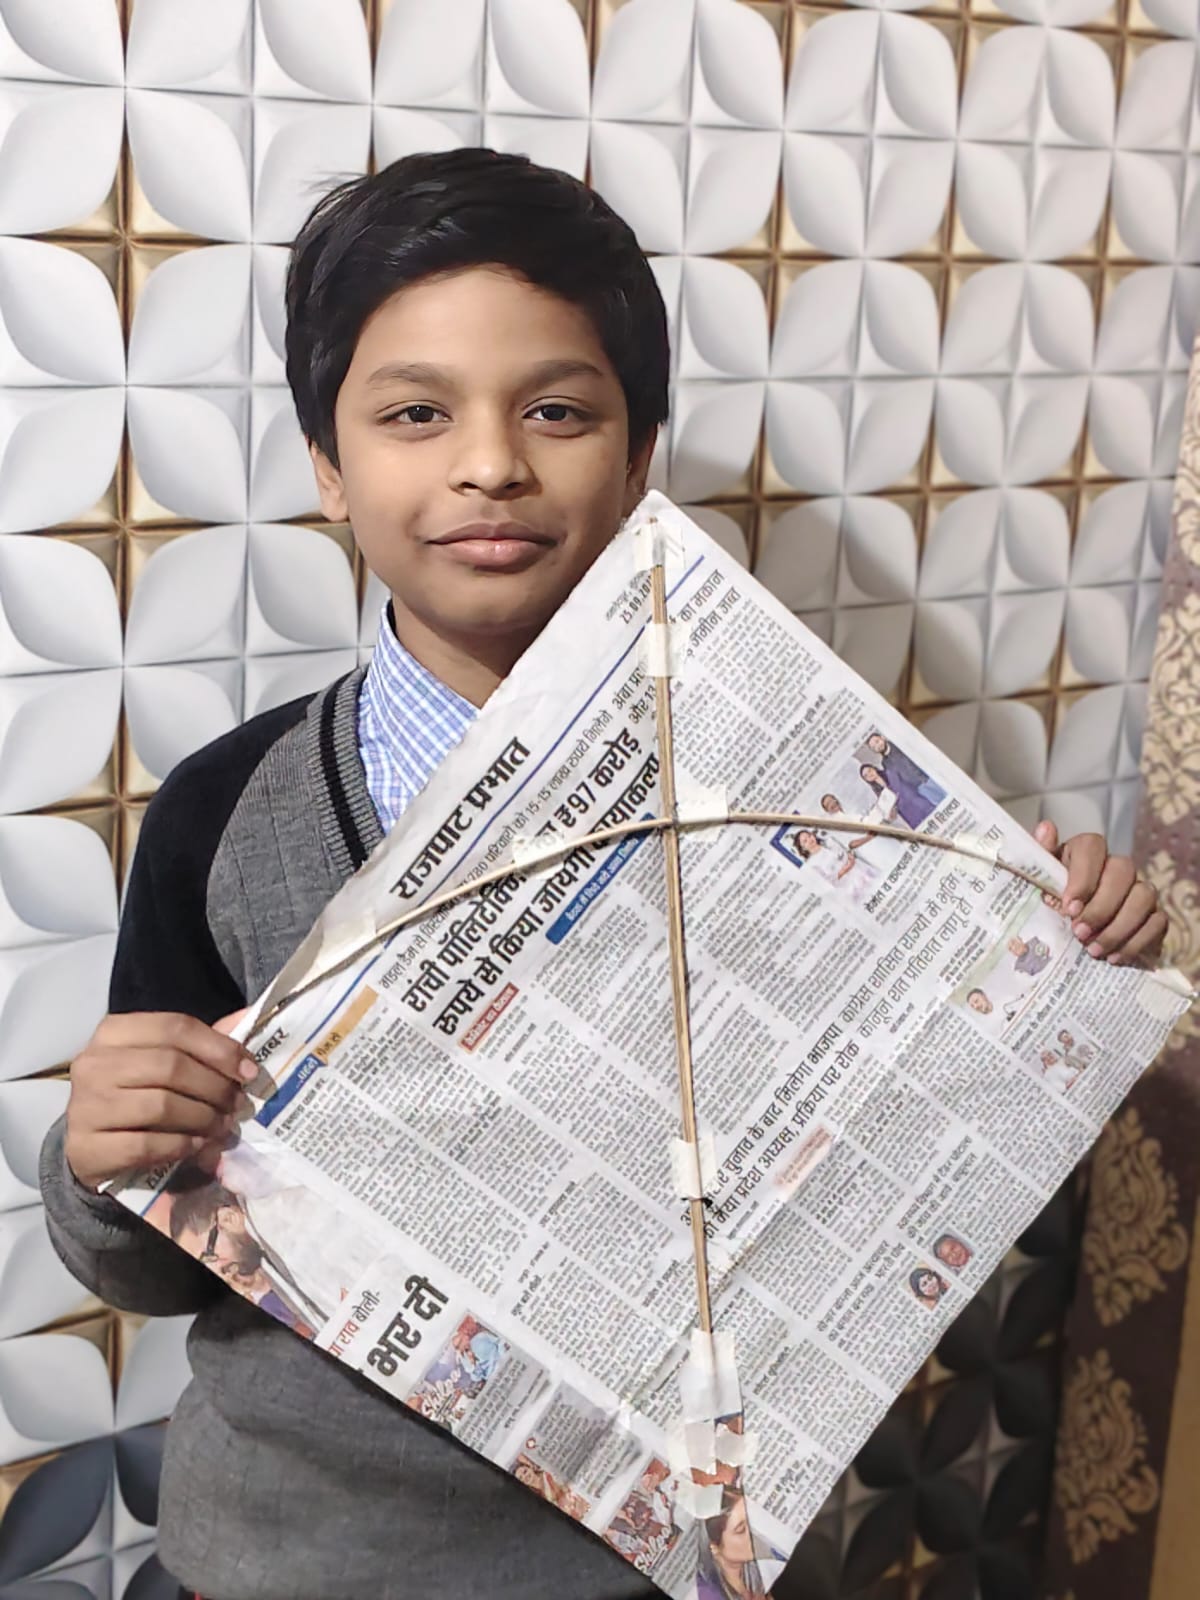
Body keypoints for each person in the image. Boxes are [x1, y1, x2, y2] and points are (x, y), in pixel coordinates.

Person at [37, 144, 1170, 1600]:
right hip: (282, 1558)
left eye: (557, 410)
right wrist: (102, 1158)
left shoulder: (781, 781)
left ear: (638, 460)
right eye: (415, 413)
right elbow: (147, 1263)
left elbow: (912, 1158)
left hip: (644, 1565)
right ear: (328, 464)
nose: (490, 463)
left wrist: (1066, 946)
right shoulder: (220, 812)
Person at [697, 1493, 785, 1600]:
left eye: (752, 1522)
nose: (752, 1532)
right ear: (714, 1547)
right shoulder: (708, 1594)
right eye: (741, 1530)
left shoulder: (762, 1570)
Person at [792, 827, 880, 906]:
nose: (809, 839)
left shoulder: (829, 841)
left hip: (862, 870)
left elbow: (847, 849)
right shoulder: (812, 864)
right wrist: (846, 868)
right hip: (851, 887)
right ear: (803, 848)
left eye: (809, 836)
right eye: (805, 841)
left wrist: (850, 855)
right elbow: (829, 881)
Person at [866, 732, 946, 813]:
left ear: (882, 737)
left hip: (930, 777)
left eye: (877, 741)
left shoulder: (899, 744)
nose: (877, 746)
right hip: (920, 788)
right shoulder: (885, 763)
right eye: (874, 747)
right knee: (942, 805)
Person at [860, 760, 935, 831]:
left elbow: (901, 789)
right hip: (908, 815)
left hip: (916, 803)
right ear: (866, 780)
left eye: (869, 770)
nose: (869, 775)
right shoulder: (877, 791)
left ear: (874, 768)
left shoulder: (890, 773)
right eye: (866, 775)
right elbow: (889, 806)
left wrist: (894, 798)